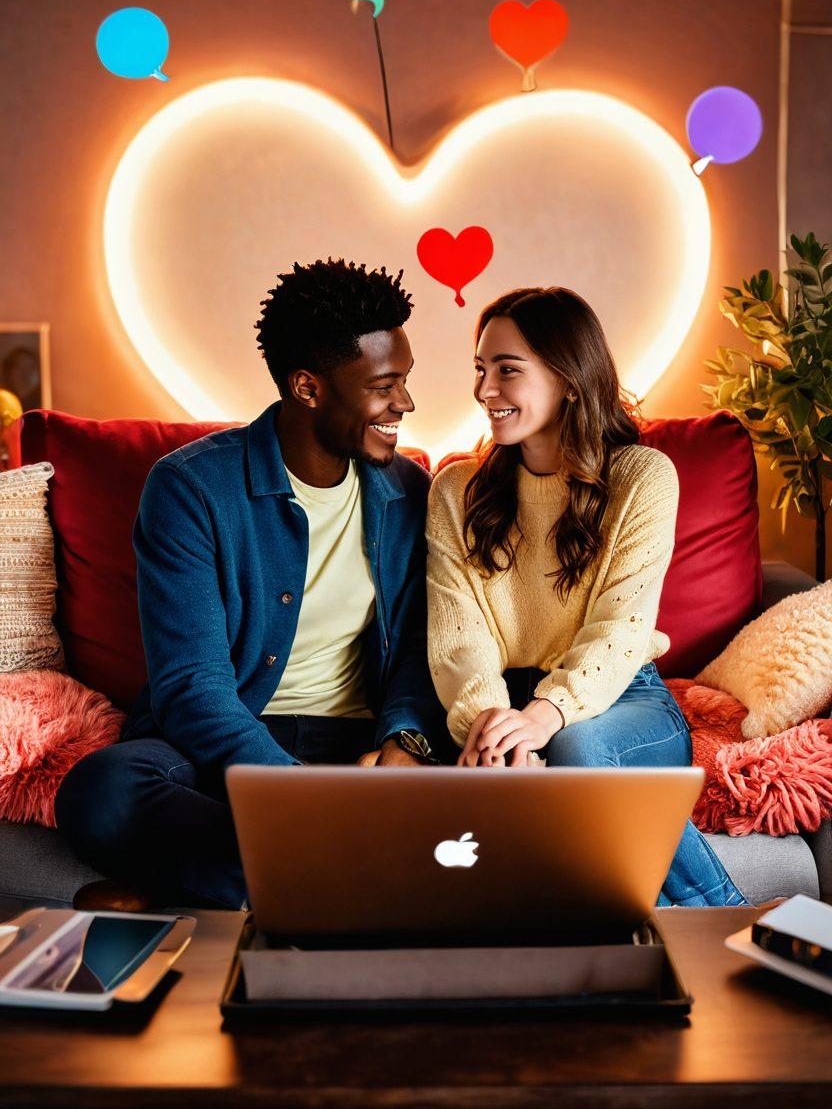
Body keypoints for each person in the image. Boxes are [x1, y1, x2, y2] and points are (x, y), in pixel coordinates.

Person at [56, 259, 451, 910]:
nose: (404, 403)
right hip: (227, 742)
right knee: (102, 792)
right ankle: (344, 875)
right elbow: (191, 686)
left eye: (404, 382)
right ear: (308, 387)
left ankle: (225, 886)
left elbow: (416, 647)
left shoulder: (408, 492)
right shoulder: (190, 489)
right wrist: (290, 794)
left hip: (362, 752)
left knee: (489, 801)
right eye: (385, 385)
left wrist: (403, 743)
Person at [426, 286, 747, 907]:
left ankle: (727, 923)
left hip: (622, 698)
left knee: (579, 750)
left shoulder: (642, 477)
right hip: (501, 702)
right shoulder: (454, 490)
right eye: (481, 369)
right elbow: (457, 635)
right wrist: (492, 728)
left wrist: (547, 716)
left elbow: (622, 628)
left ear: (569, 379)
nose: (484, 389)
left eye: (508, 371)